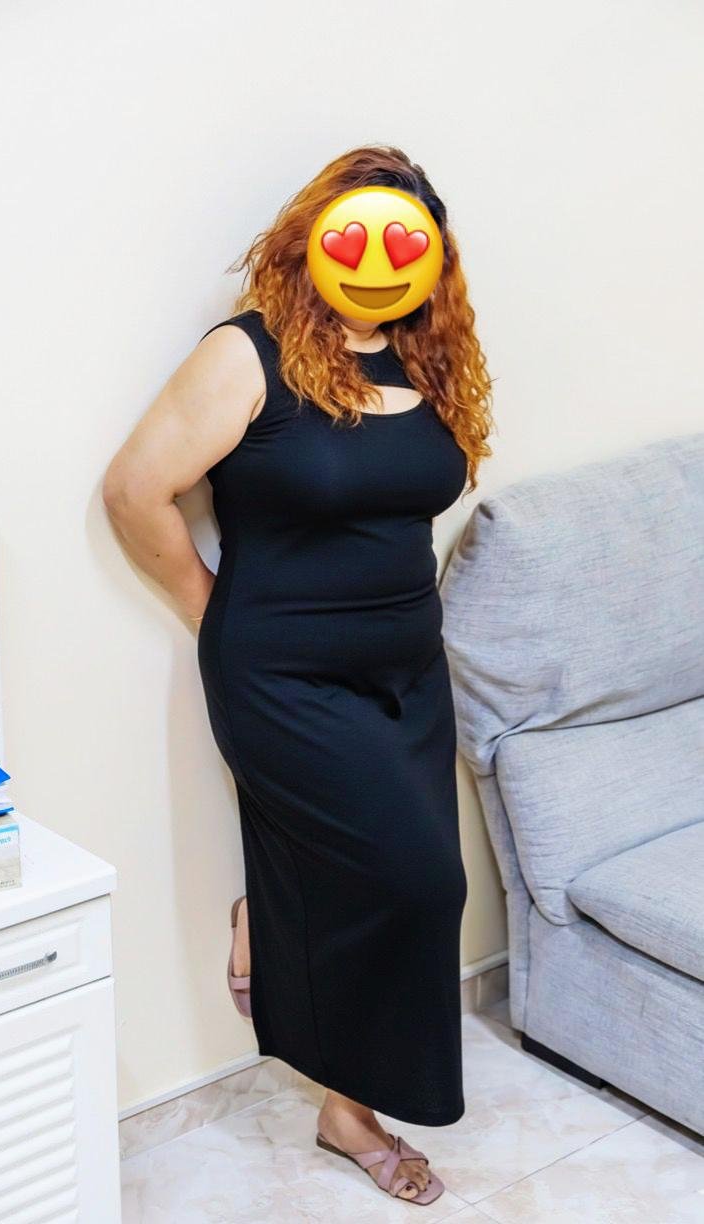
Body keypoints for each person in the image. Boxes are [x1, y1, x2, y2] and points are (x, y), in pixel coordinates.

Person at [103, 144, 494, 1205]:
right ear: (312, 238)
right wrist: (211, 611)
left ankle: (327, 1075)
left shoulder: (426, 353)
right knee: (421, 877)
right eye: (356, 234)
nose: (379, 260)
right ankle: (340, 1083)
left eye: (406, 243)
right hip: (283, 675)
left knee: (416, 880)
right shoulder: (248, 356)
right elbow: (134, 491)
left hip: (408, 669)